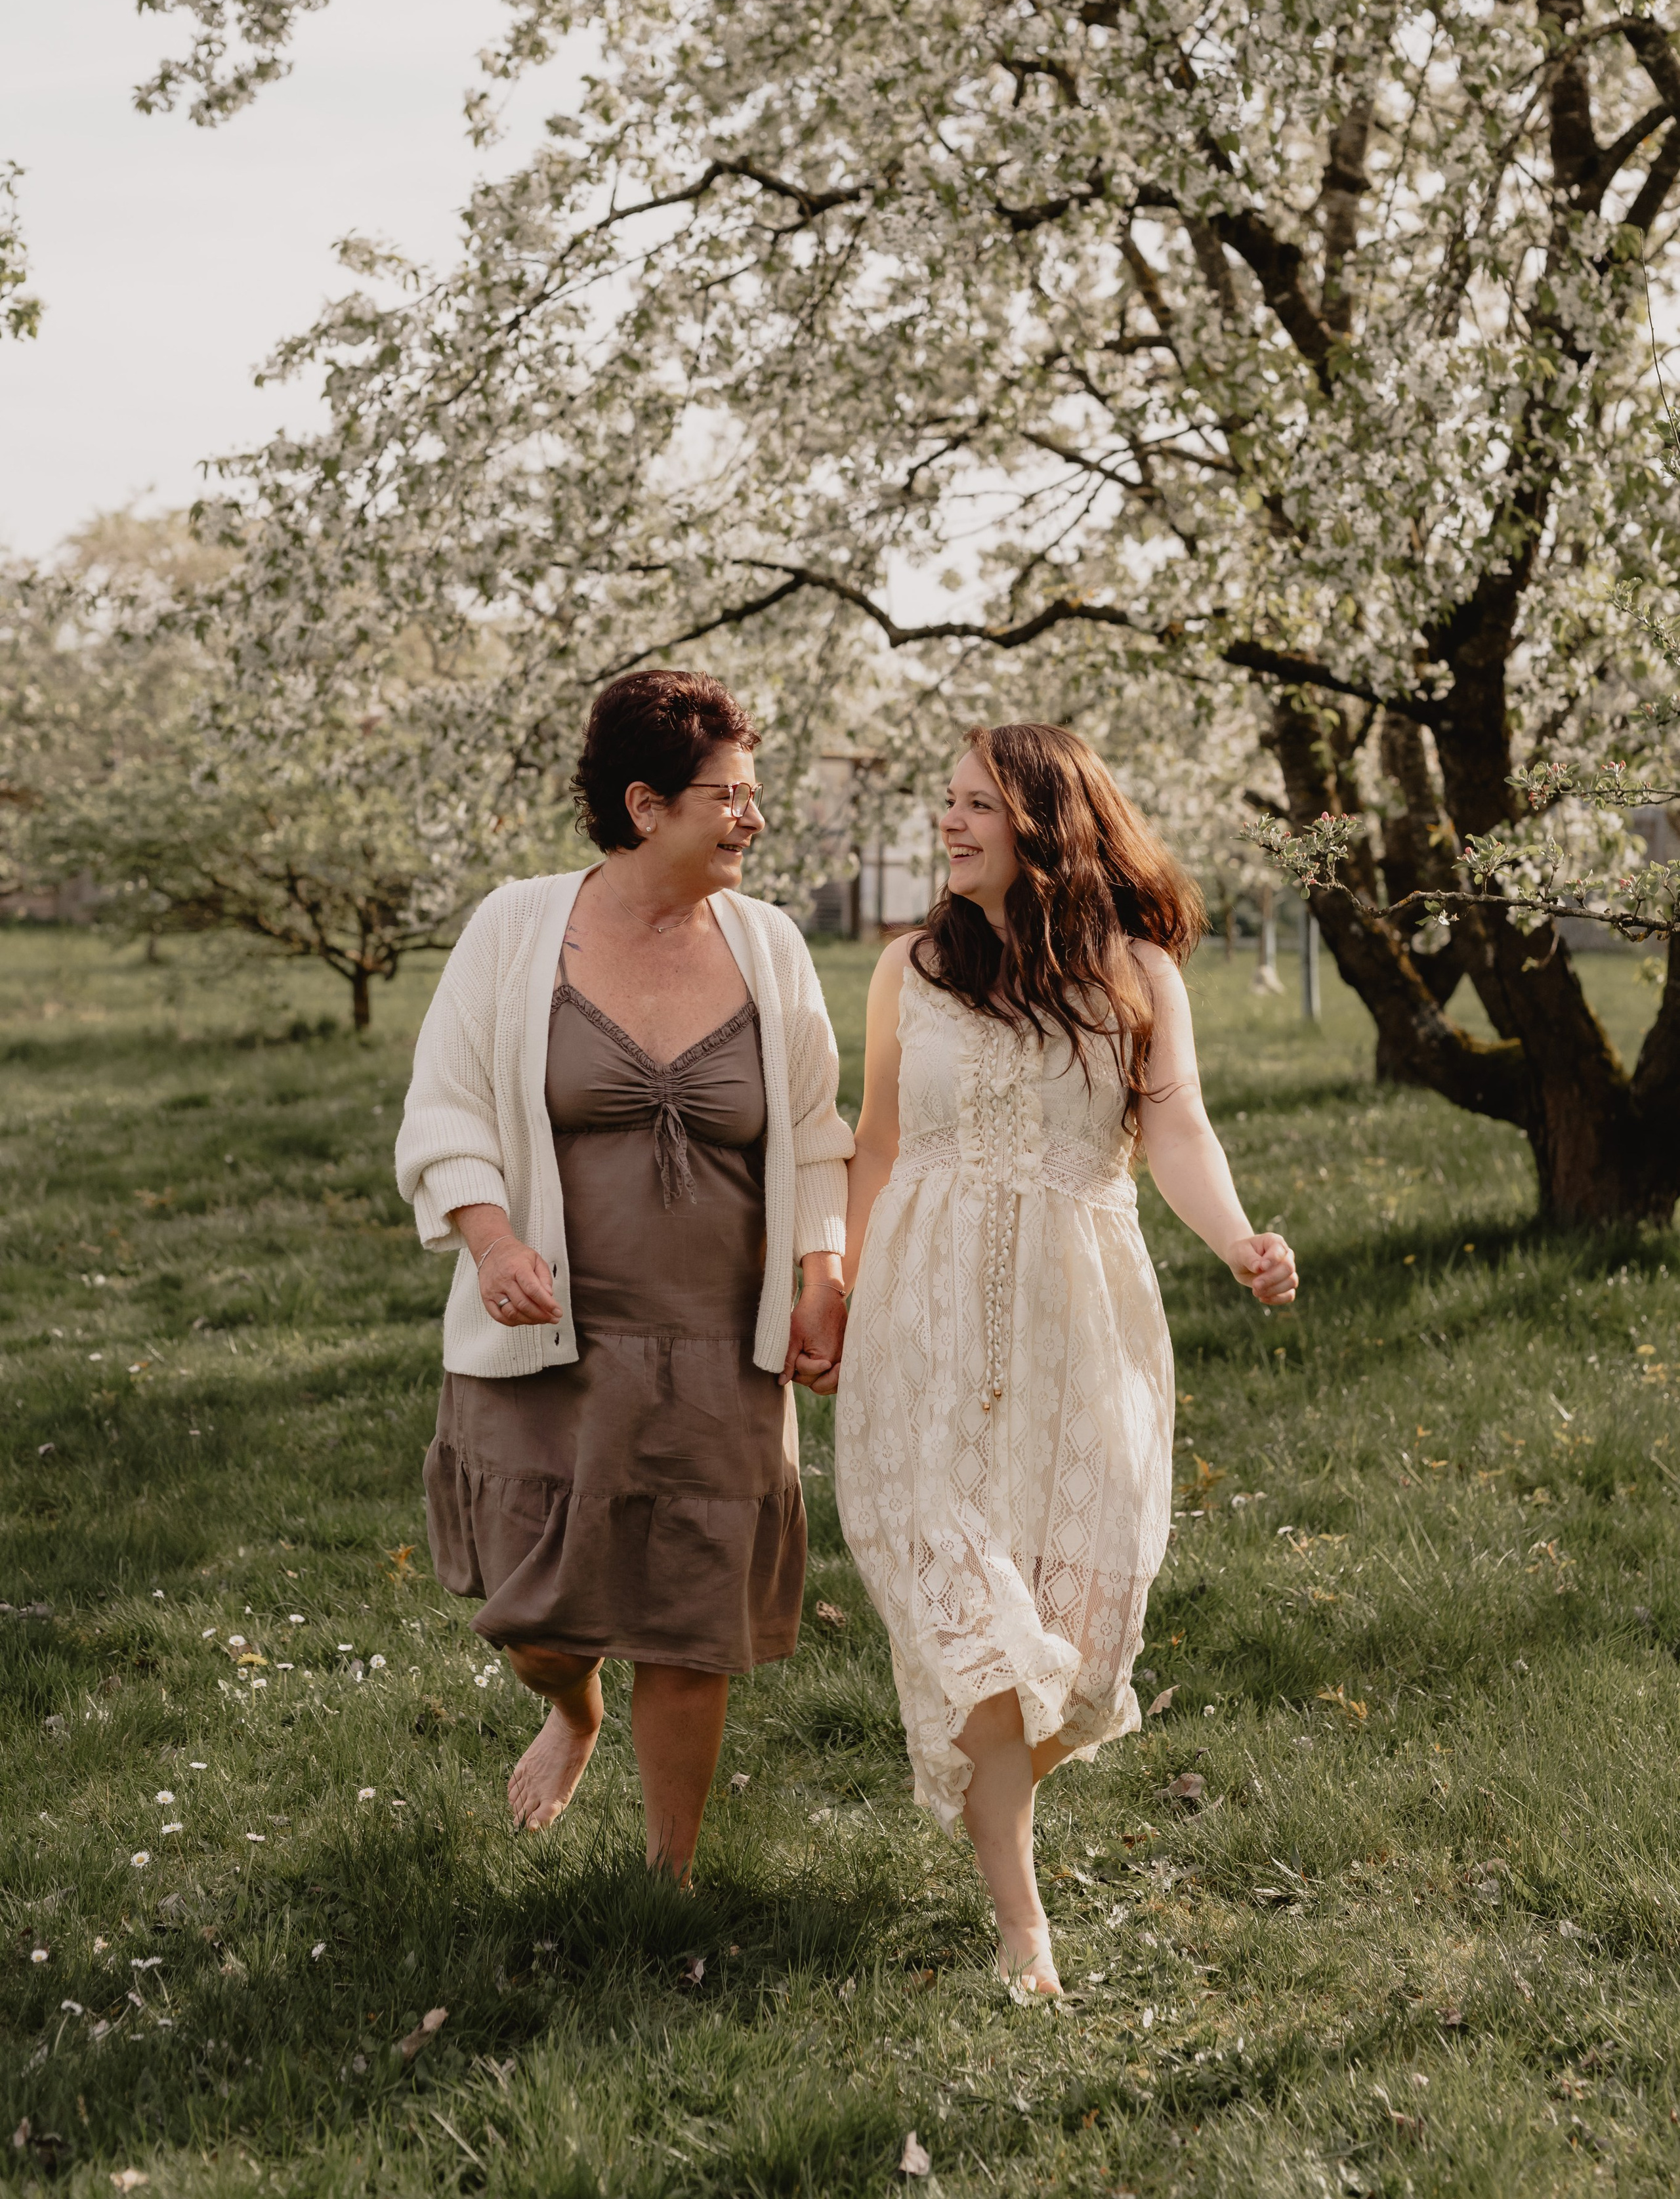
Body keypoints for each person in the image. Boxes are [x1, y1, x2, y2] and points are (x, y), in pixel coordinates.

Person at [831, 724, 1297, 1994]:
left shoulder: (1136, 972)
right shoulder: (911, 968)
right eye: (948, 800)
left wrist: (1239, 1241)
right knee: (976, 1616)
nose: (950, 821)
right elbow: (877, 1141)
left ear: (1048, 822)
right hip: (922, 1326)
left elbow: (1178, 1126)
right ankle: (1023, 1926)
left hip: (1080, 1322)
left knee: (1080, 1659)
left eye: (978, 803)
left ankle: (986, 1788)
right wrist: (834, 1288)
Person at [395, 670, 852, 1879]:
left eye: (755, 793)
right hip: (553, 1336)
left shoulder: (770, 946)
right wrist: (493, 1243)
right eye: (729, 795)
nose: (754, 817)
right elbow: (445, 1109)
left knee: (689, 1625)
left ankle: (669, 1883)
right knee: (535, 1618)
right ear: (646, 806)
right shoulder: (516, 928)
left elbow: (814, 1132)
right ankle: (572, 1704)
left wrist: (823, 1276)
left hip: (719, 1343)